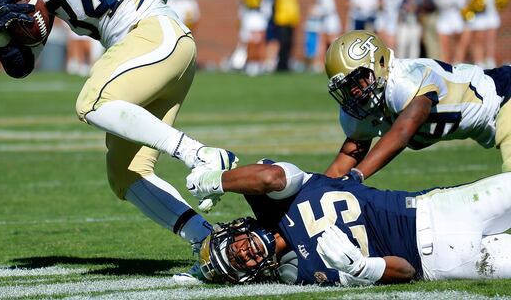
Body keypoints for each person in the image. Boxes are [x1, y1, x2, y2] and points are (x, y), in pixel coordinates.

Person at [0, 0, 247, 281]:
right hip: (141, 58)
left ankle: (201, 156)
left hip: (155, 33)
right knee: (126, 175)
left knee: (91, 102)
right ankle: (211, 242)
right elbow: (22, 65)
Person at [187, 160, 511, 285]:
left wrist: (216, 180)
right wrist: (362, 268)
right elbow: (407, 271)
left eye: (234, 249)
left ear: (236, 229)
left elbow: (270, 177)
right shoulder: (300, 272)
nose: (244, 254)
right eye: (237, 264)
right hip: (441, 259)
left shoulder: (275, 196)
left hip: (438, 207)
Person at [322, 30, 511, 182]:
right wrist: (315, 193)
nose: (354, 91)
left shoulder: (406, 78)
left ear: (380, 63)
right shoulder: (365, 107)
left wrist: (356, 175)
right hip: (490, 116)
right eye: (346, 87)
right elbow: (341, 166)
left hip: (504, 96)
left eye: (358, 80)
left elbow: (403, 132)